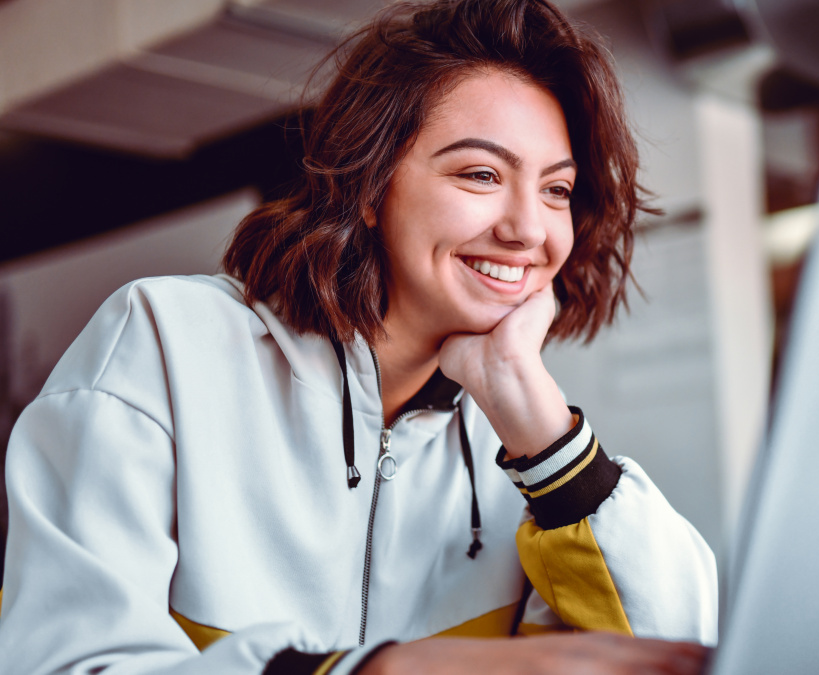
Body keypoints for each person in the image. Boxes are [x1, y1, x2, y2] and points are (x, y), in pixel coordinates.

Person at [0, 1, 718, 673]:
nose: (528, 228)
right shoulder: (163, 343)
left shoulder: (526, 439)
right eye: (480, 173)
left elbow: (677, 643)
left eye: (557, 189)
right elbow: (67, 659)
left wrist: (530, 409)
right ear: (371, 185)